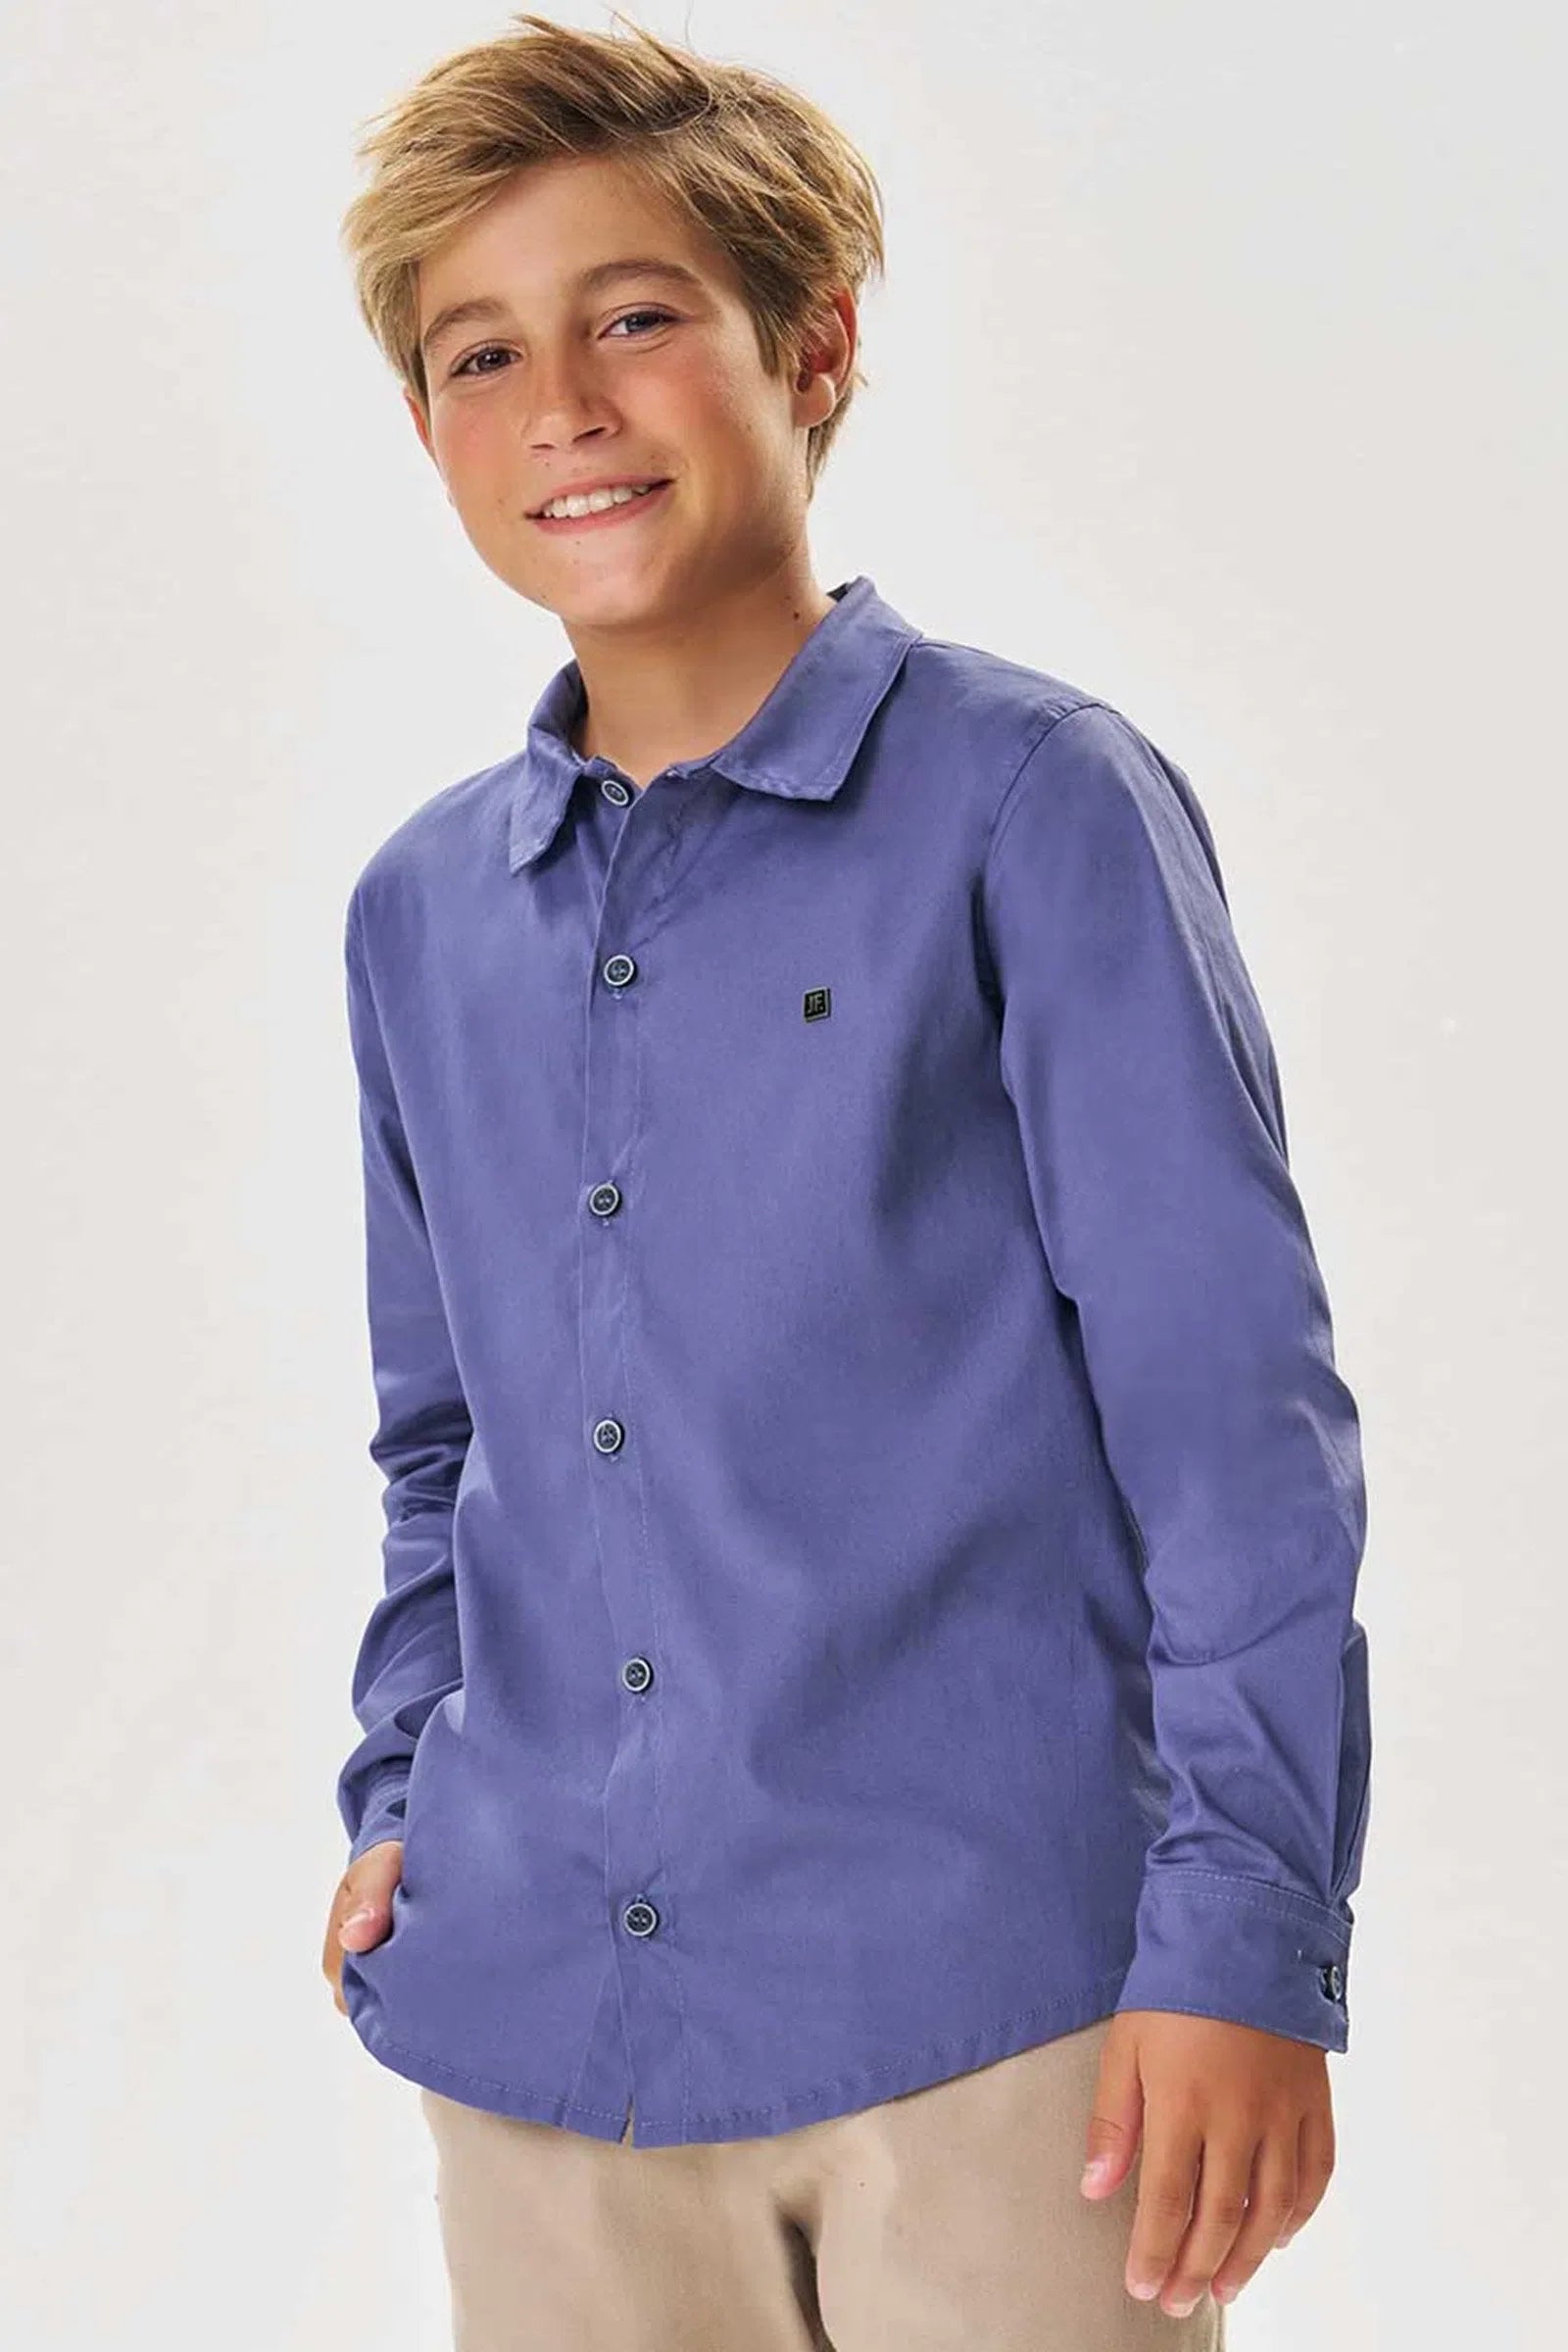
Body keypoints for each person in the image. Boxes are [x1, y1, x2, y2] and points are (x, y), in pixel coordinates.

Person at [318, 14, 1372, 2348]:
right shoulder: (419, 913)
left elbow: (1228, 1427)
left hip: (993, 2023)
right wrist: (399, 1790)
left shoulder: (1031, 807)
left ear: (811, 349)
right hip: (544, 2039)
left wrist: (1243, 1937)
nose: (562, 404)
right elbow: (443, 1446)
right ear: (426, 430)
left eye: (634, 317)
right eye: (481, 354)